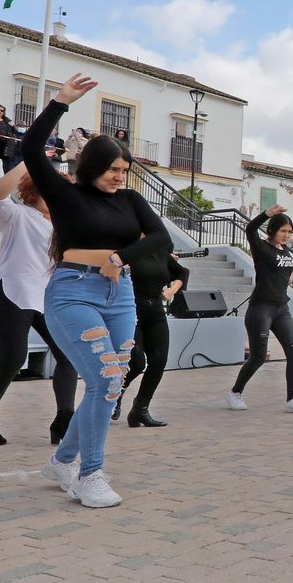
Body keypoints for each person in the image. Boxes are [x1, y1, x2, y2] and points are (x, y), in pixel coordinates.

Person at [27, 75, 171, 508]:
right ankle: (89, 475)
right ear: (92, 165)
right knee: (106, 380)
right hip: (73, 292)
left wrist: (121, 258)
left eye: (125, 171)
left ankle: (62, 461)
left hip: (119, 294)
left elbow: (160, 237)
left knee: (108, 382)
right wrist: (59, 103)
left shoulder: (129, 201)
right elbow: (30, 150)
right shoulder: (65, 193)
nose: (119, 177)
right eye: (113, 170)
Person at [0, 164, 79, 447]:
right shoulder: (17, 216)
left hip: (49, 297)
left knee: (68, 355)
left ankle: (64, 420)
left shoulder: (66, 225)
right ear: (33, 192)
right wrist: (28, 160)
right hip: (11, 293)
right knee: (12, 360)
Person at [227, 205, 293, 413]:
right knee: (258, 356)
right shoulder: (262, 248)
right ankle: (235, 392)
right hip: (261, 308)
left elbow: (285, 273)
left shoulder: (287, 251)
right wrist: (267, 214)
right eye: (283, 231)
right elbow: (249, 229)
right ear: (272, 230)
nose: (286, 235)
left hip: (281, 308)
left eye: (290, 232)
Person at [114, 252, 188, 428]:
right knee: (136, 363)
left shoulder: (159, 251)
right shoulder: (127, 249)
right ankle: (115, 393)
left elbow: (182, 273)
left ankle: (140, 409)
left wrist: (171, 290)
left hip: (155, 314)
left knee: (159, 360)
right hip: (130, 313)